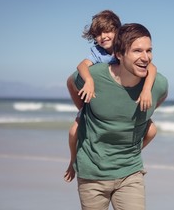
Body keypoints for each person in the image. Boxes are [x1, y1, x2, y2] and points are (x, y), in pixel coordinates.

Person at [70, 23, 168, 210]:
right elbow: (71, 82)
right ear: (119, 54)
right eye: (137, 51)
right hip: (92, 175)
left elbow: (160, 98)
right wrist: (82, 108)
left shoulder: (158, 85)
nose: (145, 57)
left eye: (149, 50)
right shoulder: (93, 76)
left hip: (130, 173)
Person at [64, 10, 158, 182]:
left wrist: (146, 90)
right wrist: (89, 81)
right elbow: (81, 66)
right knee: (73, 132)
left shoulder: (125, 48)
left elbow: (151, 67)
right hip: (98, 106)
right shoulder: (98, 52)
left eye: (108, 31)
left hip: (123, 106)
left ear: (118, 31)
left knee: (152, 130)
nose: (103, 37)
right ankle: (73, 161)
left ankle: (130, 154)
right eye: (98, 34)